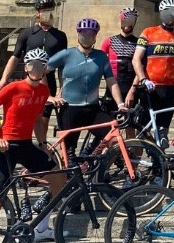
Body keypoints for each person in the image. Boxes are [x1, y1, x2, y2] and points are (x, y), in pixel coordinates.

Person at [0, 47, 65, 243]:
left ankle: (42, 228)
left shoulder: (44, 92)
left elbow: (37, 119)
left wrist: (43, 142)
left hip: (26, 144)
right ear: (26, 67)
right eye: (32, 65)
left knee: (59, 179)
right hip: (6, 146)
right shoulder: (13, 87)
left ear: (45, 69)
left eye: (40, 66)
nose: (36, 69)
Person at [47, 18, 126, 158]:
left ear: (95, 37)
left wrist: (120, 104)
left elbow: (111, 82)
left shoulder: (101, 57)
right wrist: (49, 96)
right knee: (68, 154)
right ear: (78, 35)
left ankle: (98, 173)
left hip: (93, 109)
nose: (87, 37)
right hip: (69, 108)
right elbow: (39, 71)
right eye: (84, 34)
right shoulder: (66, 54)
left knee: (114, 139)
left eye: (91, 34)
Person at [0, 0, 68, 145]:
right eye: (44, 11)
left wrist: (62, 88)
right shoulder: (27, 33)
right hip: (26, 84)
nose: (47, 13)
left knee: (43, 122)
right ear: (37, 13)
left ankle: (39, 150)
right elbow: (15, 57)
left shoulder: (60, 36)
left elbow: (62, 65)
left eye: (50, 10)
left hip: (48, 84)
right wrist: (3, 81)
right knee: (23, 119)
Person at [129, 0, 174, 141]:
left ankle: (157, 161)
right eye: (168, 12)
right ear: (161, 13)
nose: (171, 15)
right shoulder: (148, 32)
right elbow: (136, 60)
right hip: (150, 88)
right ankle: (135, 162)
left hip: (169, 89)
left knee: (163, 131)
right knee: (143, 130)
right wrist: (143, 79)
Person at [100, 7, 140, 104]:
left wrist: (133, 90)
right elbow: (99, 62)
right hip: (112, 87)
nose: (127, 24)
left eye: (130, 21)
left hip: (130, 88)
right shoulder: (109, 41)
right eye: (125, 20)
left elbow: (141, 67)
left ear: (134, 23)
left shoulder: (139, 43)